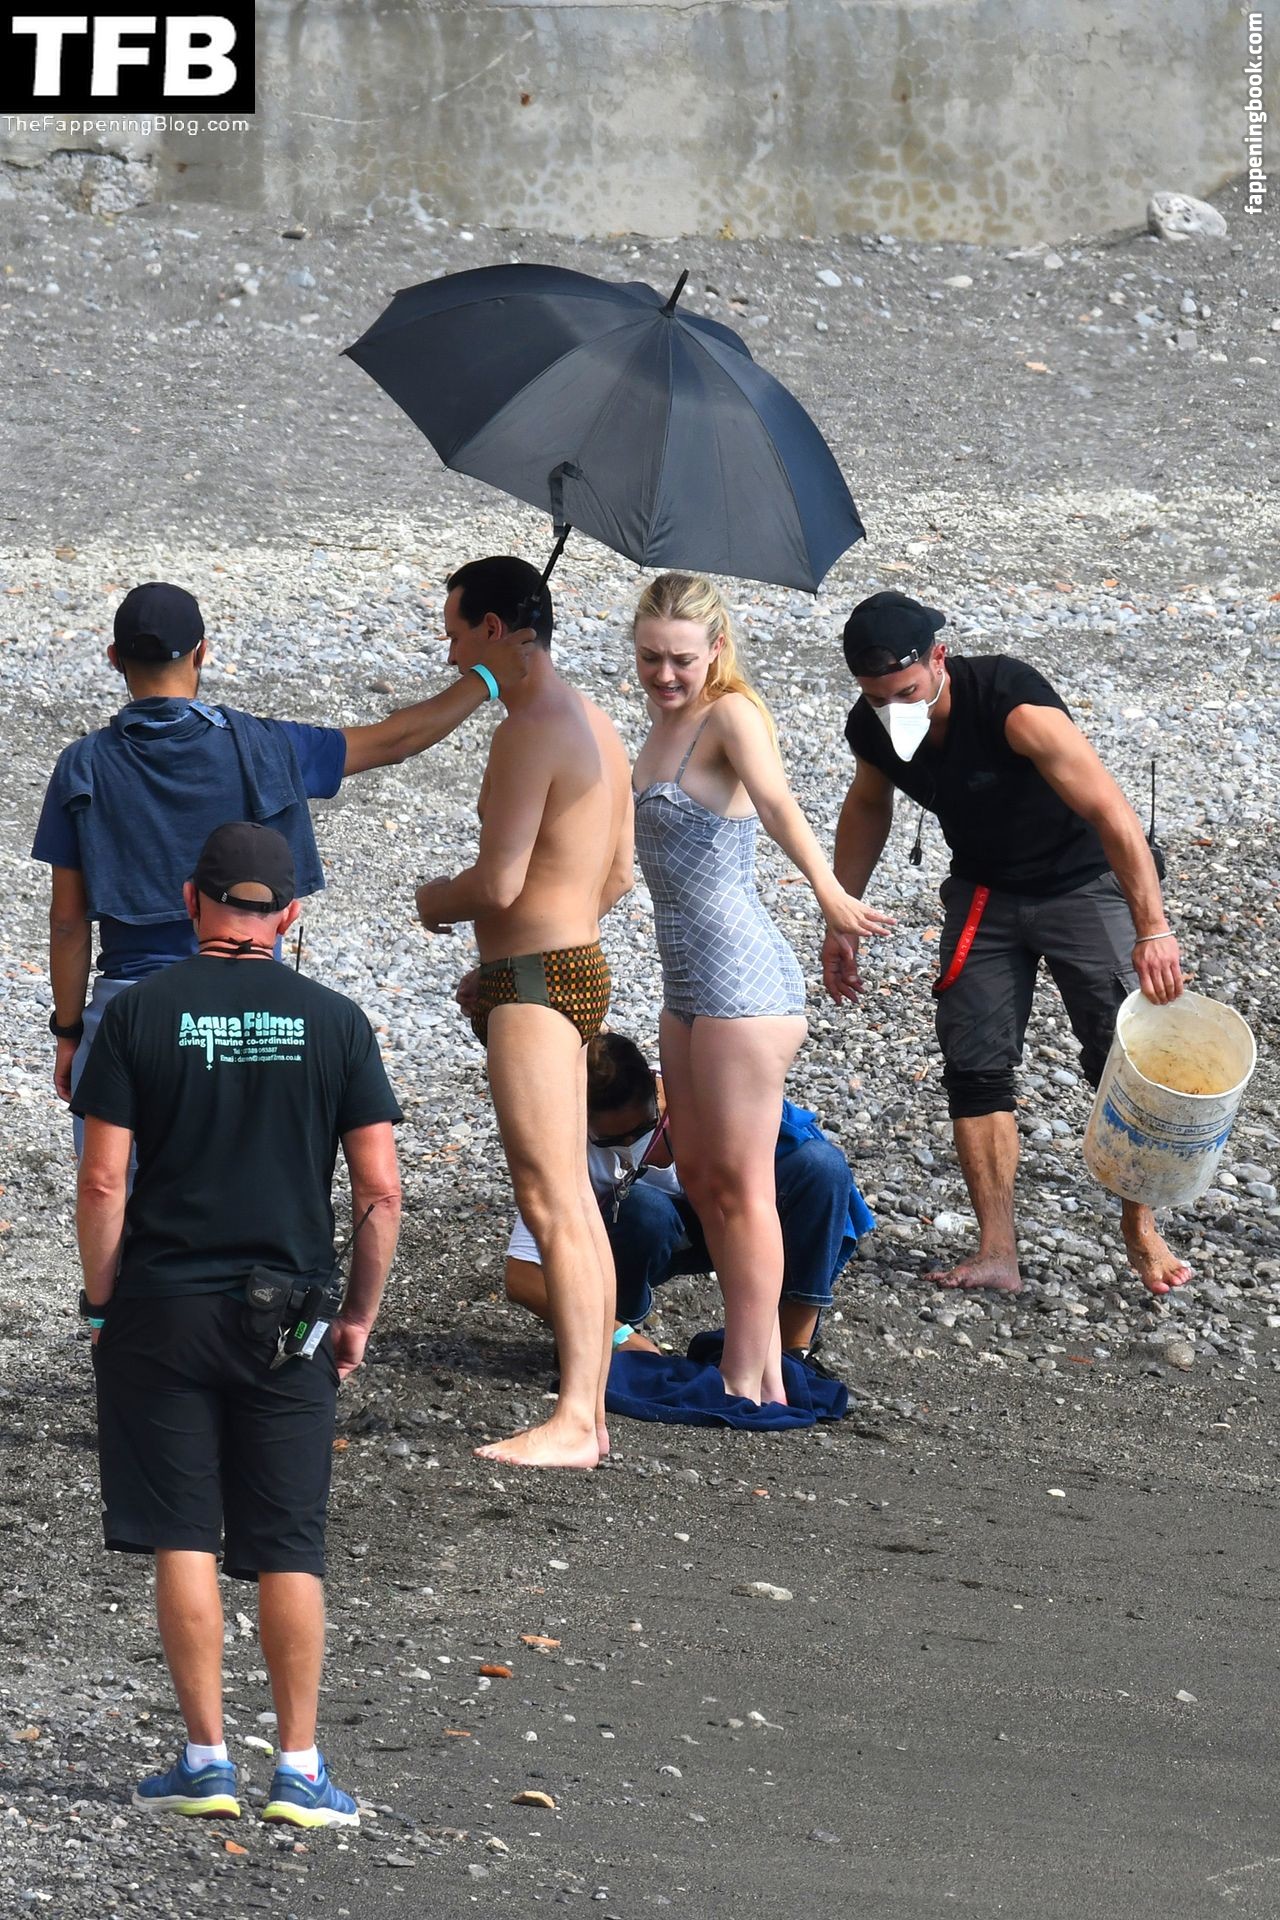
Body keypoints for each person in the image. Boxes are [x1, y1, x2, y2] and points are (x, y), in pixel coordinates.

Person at [73, 822, 402, 1828]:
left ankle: (207, 1761)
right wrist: (356, 1314)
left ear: (190, 901)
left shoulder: (138, 1012)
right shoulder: (336, 1021)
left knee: (184, 1529)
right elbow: (380, 1192)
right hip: (290, 1315)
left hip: (163, 1305)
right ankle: (298, 1769)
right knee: (290, 1541)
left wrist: (101, 1300)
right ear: (288, 914)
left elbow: (102, 1180)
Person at [33, 578, 529, 1144]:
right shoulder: (265, 746)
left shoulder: (82, 766)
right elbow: (396, 740)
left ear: (114, 658)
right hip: (250, 1006)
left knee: (116, 1188)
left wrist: (68, 1032)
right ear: (202, 652)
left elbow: (68, 923)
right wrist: (487, 678)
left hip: (129, 1008)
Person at [828, 589, 1188, 1298]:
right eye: (876, 697)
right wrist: (842, 915)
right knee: (975, 1065)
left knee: (1122, 1058)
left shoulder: (1011, 705)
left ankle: (1140, 1228)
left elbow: (1112, 811)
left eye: (905, 692)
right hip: (985, 891)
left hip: (1083, 880)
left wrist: (1153, 927)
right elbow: (869, 804)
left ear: (939, 658)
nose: (893, 709)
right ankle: (997, 1251)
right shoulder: (873, 726)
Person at [630, 572, 892, 1407]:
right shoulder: (661, 724)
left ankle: (755, 1373)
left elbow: (778, 805)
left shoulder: (729, 714)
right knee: (703, 1176)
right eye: (649, 657)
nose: (664, 674)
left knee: (743, 1185)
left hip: (742, 978)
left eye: (680, 659)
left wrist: (831, 895)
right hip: (685, 981)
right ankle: (752, 1359)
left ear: (716, 648)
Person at [416, 556, 632, 1470]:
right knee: (570, 1195)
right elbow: (617, 873)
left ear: (495, 630)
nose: (449, 650)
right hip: (573, 966)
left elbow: (497, 882)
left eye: (456, 632)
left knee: (551, 1197)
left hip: (536, 981)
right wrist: (535, 935)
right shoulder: (597, 722)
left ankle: (577, 1421)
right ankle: (591, 1408)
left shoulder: (526, 729)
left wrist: (434, 901)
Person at [503, 1031, 874, 1359]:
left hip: (738, 1220)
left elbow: (813, 1183)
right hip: (646, 1234)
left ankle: (793, 1350)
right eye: (611, 1141)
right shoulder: (571, 1143)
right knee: (644, 1208)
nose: (630, 1144)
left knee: (820, 1165)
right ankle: (606, 1340)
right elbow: (522, 1277)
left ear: (657, 1090)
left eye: (643, 1129)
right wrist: (615, 1335)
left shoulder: (700, 1096)